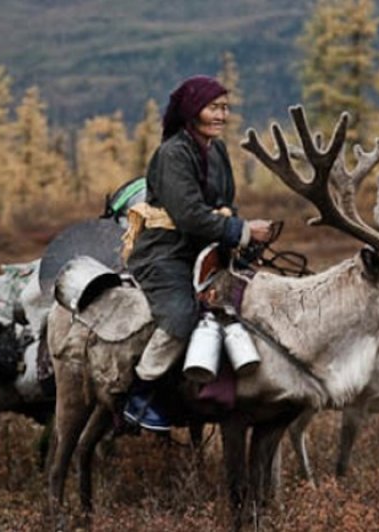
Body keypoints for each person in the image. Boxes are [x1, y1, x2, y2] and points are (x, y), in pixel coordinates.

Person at [122, 75, 272, 431]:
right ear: (192, 111)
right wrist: (244, 230)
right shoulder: (172, 153)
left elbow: (224, 203)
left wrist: (241, 243)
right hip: (166, 253)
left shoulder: (216, 150)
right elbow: (188, 216)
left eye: (225, 108)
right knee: (180, 316)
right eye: (213, 108)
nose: (222, 115)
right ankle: (139, 395)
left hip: (207, 249)